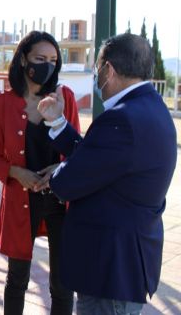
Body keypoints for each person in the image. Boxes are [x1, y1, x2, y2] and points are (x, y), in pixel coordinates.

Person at [37, 33, 176, 314]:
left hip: (109, 270)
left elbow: (67, 182)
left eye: (97, 68)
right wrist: (58, 122)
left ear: (109, 70)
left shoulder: (121, 119)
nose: (96, 76)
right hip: (126, 262)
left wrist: (59, 170)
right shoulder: (151, 108)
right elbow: (101, 160)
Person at [0, 31, 80, 314]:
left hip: (60, 201)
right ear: (24, 58)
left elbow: (77, 150)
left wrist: (60, 167)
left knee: (63, 283)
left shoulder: (65, 97)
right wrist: (16, 172)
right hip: (20, 201)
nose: (47, 66)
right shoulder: (1, 103)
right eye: (40, 59)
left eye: (53, 60)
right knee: (17, 278)